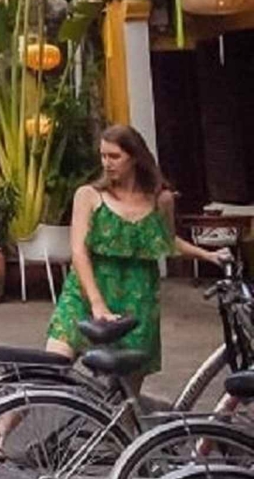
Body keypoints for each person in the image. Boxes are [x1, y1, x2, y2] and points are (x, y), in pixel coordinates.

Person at [45, 124, 230, 383]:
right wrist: (97, 303)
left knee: (126, 389)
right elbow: (78, 251)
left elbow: (166, 240)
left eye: (114, 156)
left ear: (134, 157)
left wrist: (207, 255)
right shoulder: (89, 195)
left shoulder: (160, 200)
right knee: (52, 368)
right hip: (87, 291)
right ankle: (15, 413)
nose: (107, 163)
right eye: (103, 156)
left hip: (137, 296)